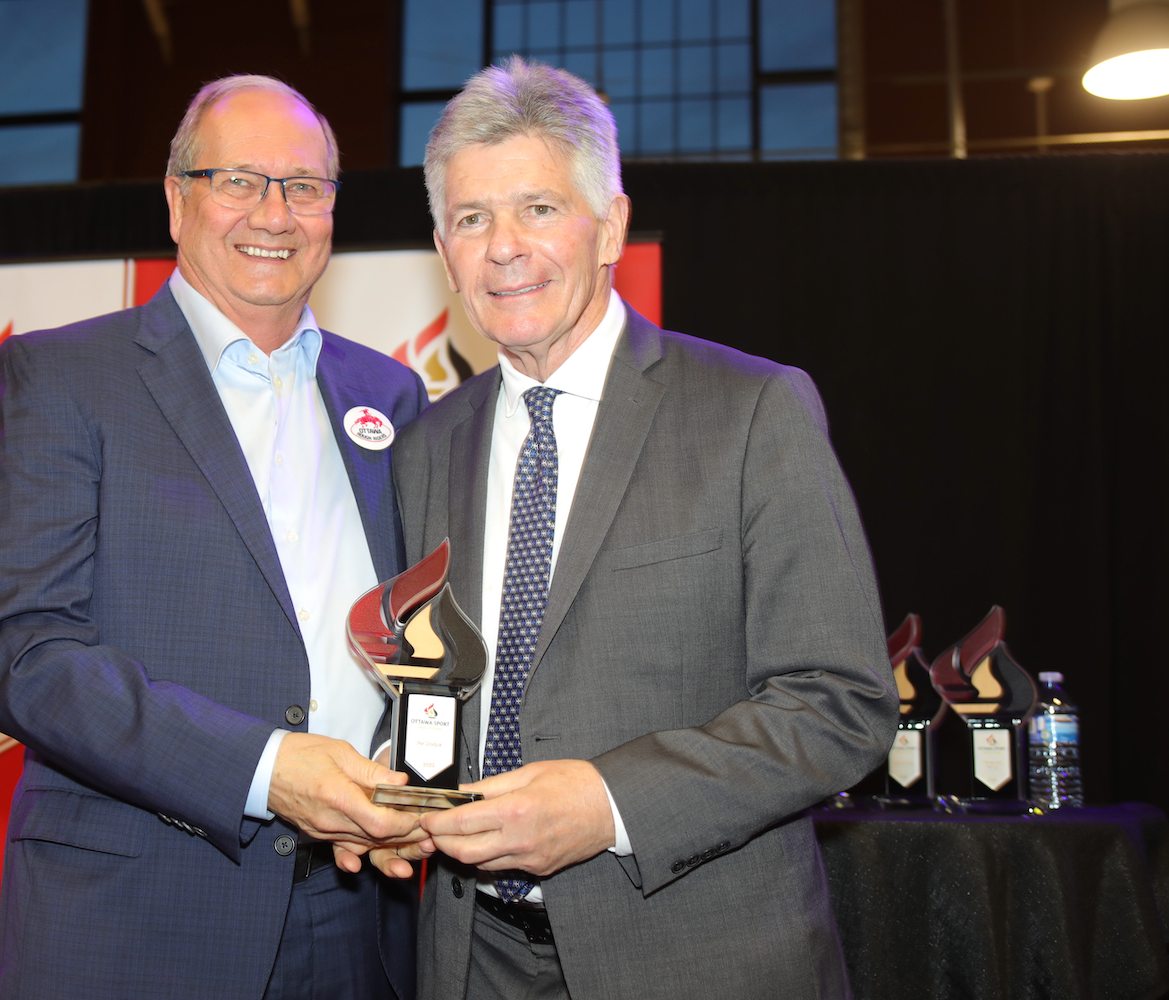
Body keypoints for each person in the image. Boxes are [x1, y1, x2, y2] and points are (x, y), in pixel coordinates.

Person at [382, 59, 899, 999]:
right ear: (443, 251)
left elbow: (840, 702)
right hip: (469, 960)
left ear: (611, 225)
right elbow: (432, 679)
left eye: (539, 209)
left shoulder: (752, 412)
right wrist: (393, 779)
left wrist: (608, 803)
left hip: (698, 959)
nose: (504, 248)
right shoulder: (426, 447)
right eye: (471, 219)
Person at [0, 75, 428, 1000]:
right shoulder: (65, 377)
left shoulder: (391, 395)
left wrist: (407, 767)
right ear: (177, 200)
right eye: (238, 180)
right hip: (141, 916)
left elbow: (415, 634)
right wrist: (266, 769)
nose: (275, 213)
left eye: (304, 186)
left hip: (363, 915)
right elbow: (20, 655)